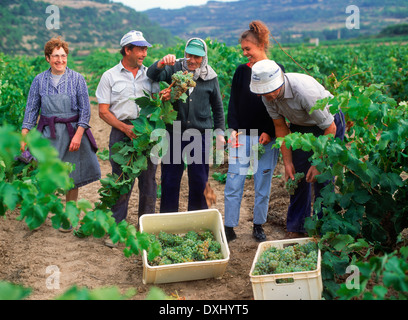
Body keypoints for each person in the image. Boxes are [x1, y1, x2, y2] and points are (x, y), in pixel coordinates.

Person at [250, 59, 346, 238]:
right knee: (298, 177)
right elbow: (280, 128)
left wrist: (318, 163)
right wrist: (287, 163)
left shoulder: (303, 92)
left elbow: (330, 128)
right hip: (301, 125)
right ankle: (297, 226)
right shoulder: (267, 96)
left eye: (270, 91)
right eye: (263, 92)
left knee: (322, 178)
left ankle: (325, 229)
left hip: (329, 124)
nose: (268, 96)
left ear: (279, 82)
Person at [21, 37, 101, 232]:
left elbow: (85, 111)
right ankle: (40, 214)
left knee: (72, 175)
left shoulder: (77, 79)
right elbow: (31, 109)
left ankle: (69, 216)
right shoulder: (39, 80)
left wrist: (78, 135)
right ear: (48, 58)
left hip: (72, 132)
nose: (60, 60)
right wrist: (24, 135)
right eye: (55, 56)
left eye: (63, 56)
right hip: (48, 133)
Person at [147, 38, 226, 213]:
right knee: (170, 178)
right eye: (189, 55)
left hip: (200, 134)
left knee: (199, 178)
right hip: (174, 133)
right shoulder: (174, 69)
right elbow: (152, 75)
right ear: (185, 53)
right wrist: (160, 63)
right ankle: (169, 221)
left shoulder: (210, 77)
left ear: (204, 57)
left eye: (197, 57)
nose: (192, 60)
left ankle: (198, 219)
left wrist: (220, 132)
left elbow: (218, 107)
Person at [96, 30, 159, 246]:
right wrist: (125, 128)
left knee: (149, 183)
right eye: (140, 49)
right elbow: (103, 111)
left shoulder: (150, 75)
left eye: (145, 49)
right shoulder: (109, 76)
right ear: (127, 50)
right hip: (121, 134)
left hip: (147, 134)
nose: (144, 52)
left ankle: (145, 229)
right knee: (121, 181)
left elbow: (159, 100)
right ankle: (117, 231)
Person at [224, 21, 283, 243]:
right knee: (234, 182)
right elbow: (234, 103)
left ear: (261, 45)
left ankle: (258, 225)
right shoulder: (241, 71)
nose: (245, 53)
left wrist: (270, 131)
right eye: (243, 50)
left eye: (248, 49)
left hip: (265, 138)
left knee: (262, 184)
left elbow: (279, 105)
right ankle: (229, 226)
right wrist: (233, 129)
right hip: (242, 136)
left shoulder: (276, 70)